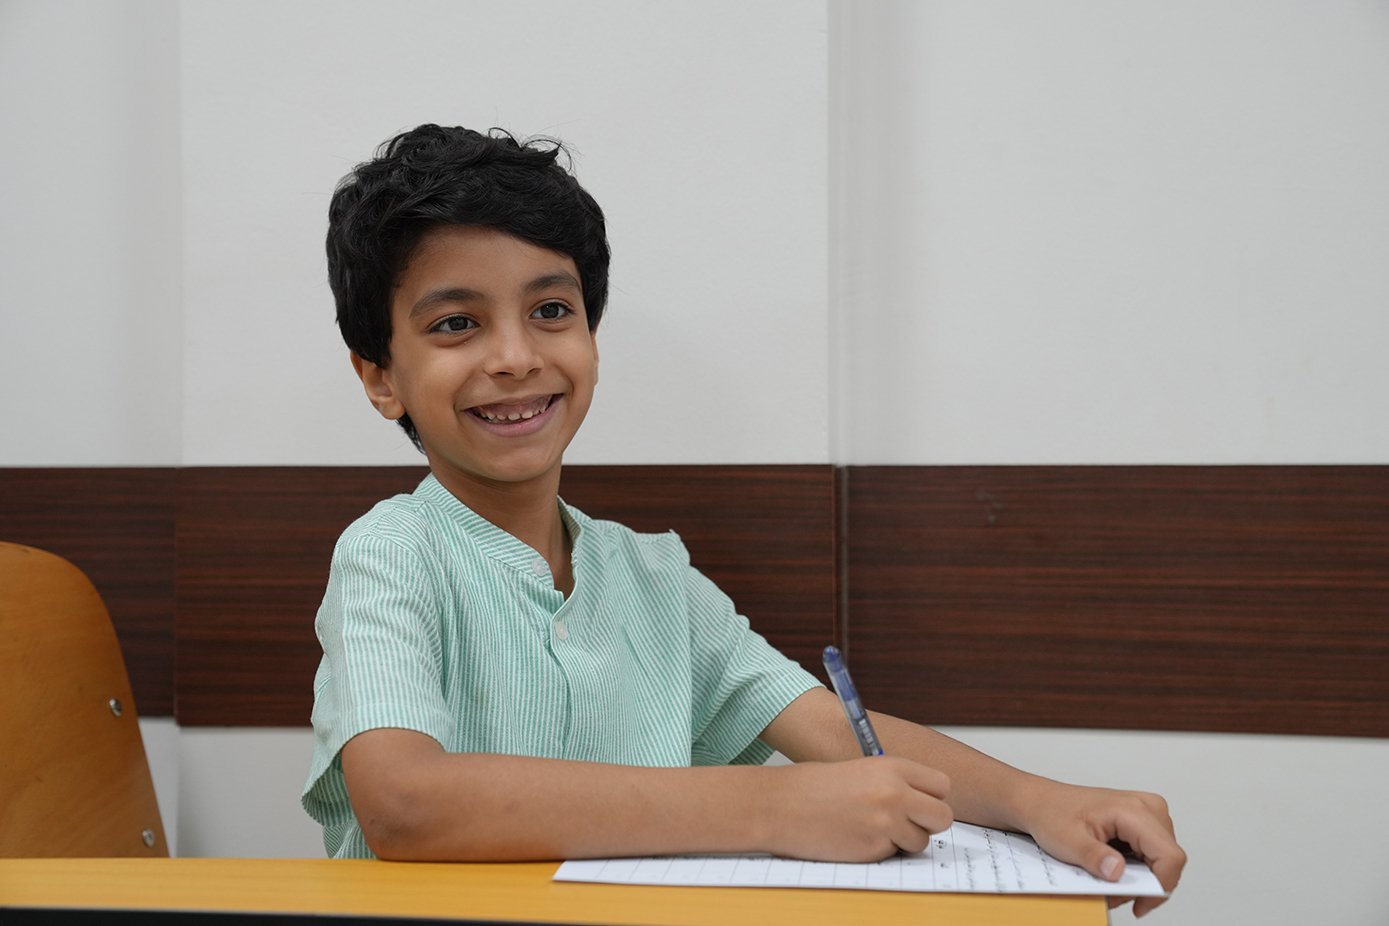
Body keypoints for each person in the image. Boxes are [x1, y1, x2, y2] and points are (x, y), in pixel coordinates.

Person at [302, 124, 1185, 916]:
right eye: (457, 323)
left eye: (551, 311)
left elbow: (829, 731)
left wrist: (1040, 802)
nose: (514, 356)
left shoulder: (652, 576)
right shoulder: (392, 553)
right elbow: (407, 805)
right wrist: (774, 806)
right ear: (380, 377)